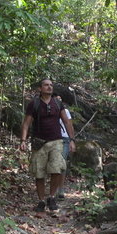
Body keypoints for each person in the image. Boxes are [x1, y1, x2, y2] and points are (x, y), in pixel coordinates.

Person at [20, 78, 76, 212]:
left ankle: (51, 197)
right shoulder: (34, 104)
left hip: (57, 141)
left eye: (51, 85)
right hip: (39, 142)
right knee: (39, 174)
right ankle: (41, 201)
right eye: (46, 85)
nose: (49, 87)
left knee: (56, 170)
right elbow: (26, 123)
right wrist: (23, 140)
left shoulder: (57, 103)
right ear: (40, 88)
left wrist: (72, 140)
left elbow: (67, 122)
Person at [53, 93, 74, 200]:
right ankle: (54, 188)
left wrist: (72, 140)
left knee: (62, 163)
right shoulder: (50, 111)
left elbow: (69, 124)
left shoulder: (65, 112)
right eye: (57, 99)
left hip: (65, 139)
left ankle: (60, 189)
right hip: (53, 139)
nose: (59, 101)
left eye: (60, 99)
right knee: (53, 164)